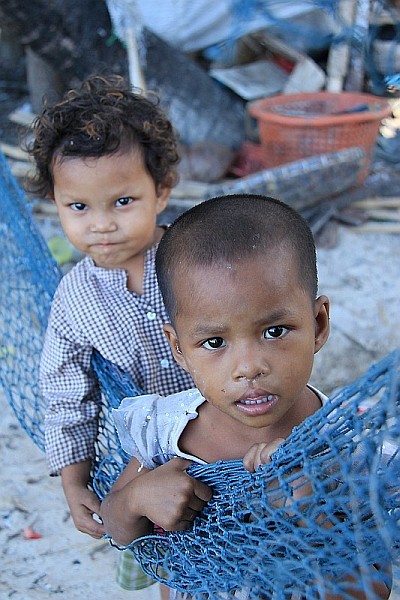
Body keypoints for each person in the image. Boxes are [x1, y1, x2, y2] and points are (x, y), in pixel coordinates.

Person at [100, 194, 391, 599]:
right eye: (214, 341)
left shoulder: (345, 444)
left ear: (319, 324)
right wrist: (136, 500)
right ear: (179, 348)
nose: (249, 367)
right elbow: (112, 523)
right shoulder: (166, 432)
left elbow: (375, 583)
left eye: (275, 331)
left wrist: (313, 516)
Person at [28, 74, 193, 594]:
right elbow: (66, 392)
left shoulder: (200, 261)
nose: (100, 224)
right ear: (56, 203)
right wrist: (74, 481)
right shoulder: (75, 299)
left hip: (230, 431)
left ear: (161, 190)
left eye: (123, 201)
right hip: (148, 456)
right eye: (78, 207)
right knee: (172, 554)